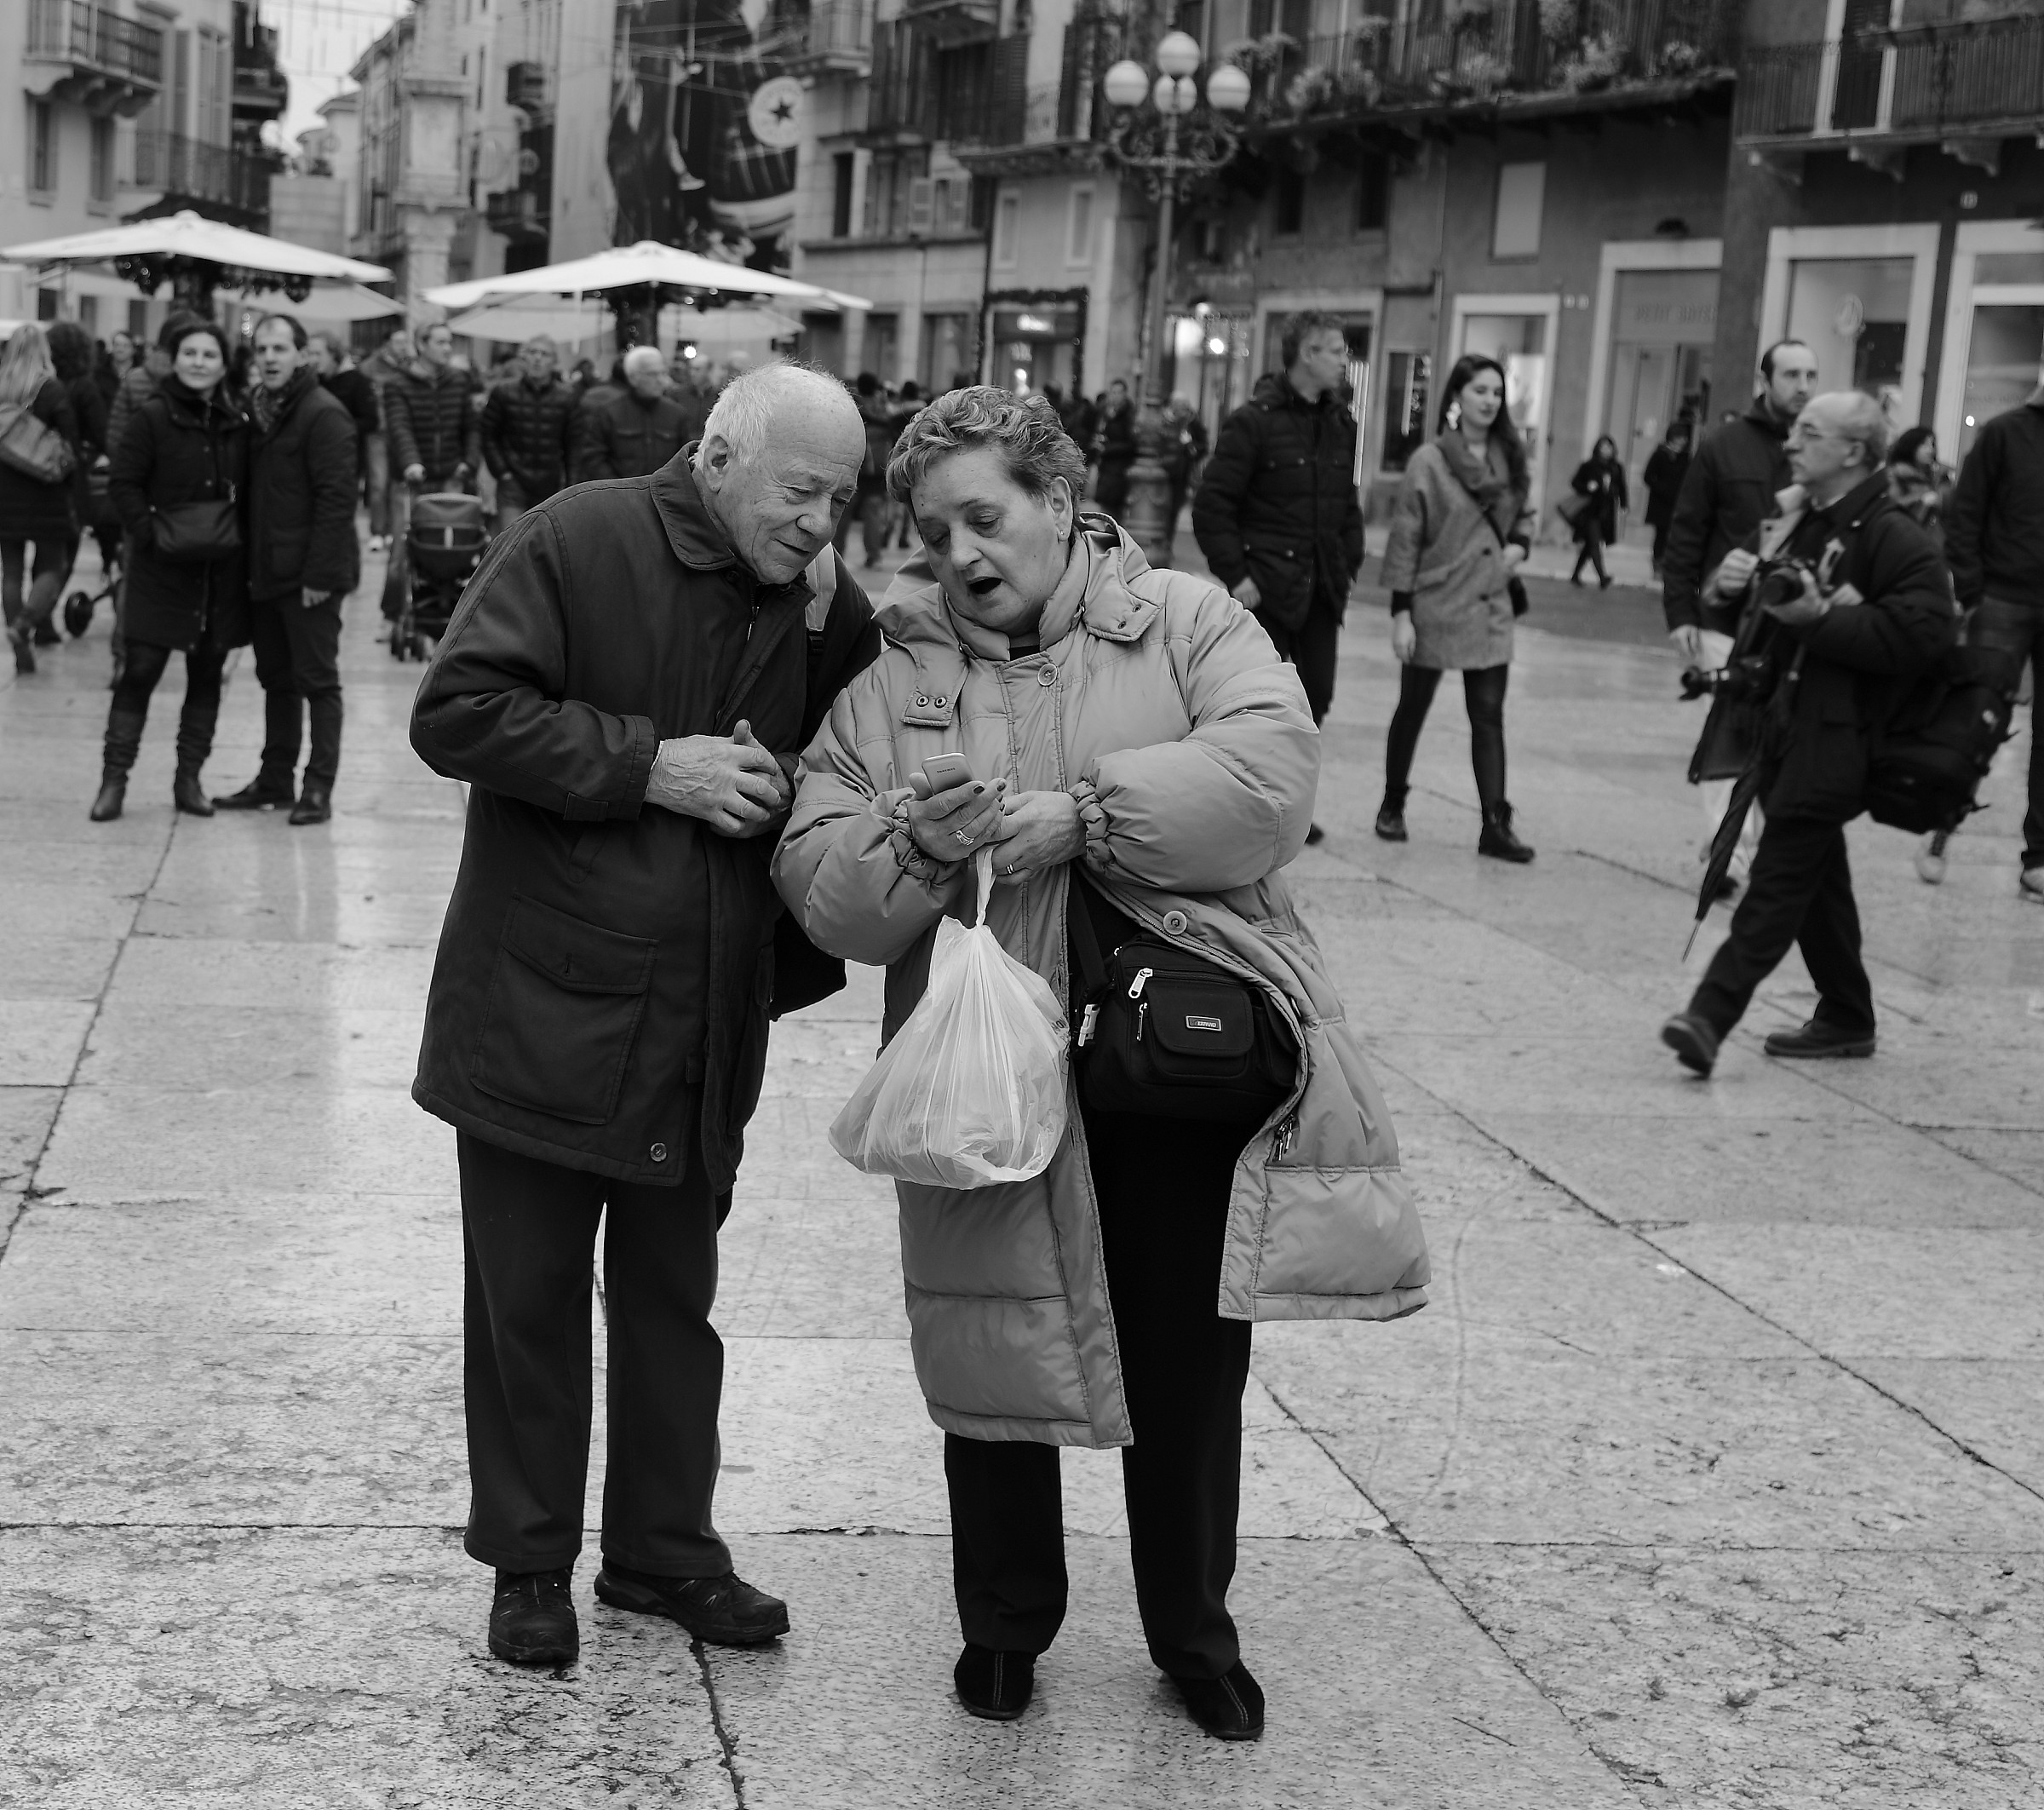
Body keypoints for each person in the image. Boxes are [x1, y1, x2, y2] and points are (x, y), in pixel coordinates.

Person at [773, 386, 1427, 1741]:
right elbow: (821, 885)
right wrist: (912, 843)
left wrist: (1088, 817)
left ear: (1060, 505)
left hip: (1167, 1059)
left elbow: (1270, 778)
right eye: (932, 527)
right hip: (982, 1066)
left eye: (986, 517)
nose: (959, 553)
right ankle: (1004, 1627)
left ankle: (1193, 1628)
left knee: (1191, 1357)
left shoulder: (1186, 621)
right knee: (994, 1322)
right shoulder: (893, 680)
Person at [408, 361, 869, 1671]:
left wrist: (838, 627)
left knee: (675, 1298)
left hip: (706, 1012)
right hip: (538, 1005)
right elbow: (457, 712)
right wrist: (645, 764)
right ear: (718, 457)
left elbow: (869, 719)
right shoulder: (577, 535)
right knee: (530, 1303)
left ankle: (665, 1552)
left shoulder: (811, 595)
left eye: (841, 498)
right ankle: (530, 1564)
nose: (821, 521)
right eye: (800, 491)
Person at [1660, 393, 1955, 1077]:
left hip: (1841, 735)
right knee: (1819, 877)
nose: (1791, 443)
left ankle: (1708, 1016)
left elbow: (1927, 634)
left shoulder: (1893, 536)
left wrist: (1819, 618)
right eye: (1793, 430)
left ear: (1853, 452)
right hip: (1788, 726)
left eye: (1809, 433)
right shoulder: (1809, 521)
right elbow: (1771, 611)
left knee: (1780, 874)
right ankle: (1848, 1012)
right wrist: (1729, 585)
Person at [1663, 341, 1820, 893]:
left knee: (1777, 740)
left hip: (1790, 626)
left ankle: (1752, 846)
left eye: (1811, 374)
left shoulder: (1822, 454)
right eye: (1792, 374)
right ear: (1765, 379)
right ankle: (1728, 853)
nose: (1803, 384)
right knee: (1729, 734)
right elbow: (1687, 532)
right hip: (1724, 621)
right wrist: (1680, 610)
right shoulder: (1724, 446)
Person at [1191, 310, 1364, 802]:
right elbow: (1213, 504)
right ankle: (1251, 799)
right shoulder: (1254, 423)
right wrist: (1238, 575)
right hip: (1266, 586)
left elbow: (1345, 500)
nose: (1343, 361)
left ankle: (1288, 800)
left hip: (1322, 585)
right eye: (1335, 351)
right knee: (1256, 705)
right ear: (1307, 354)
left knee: (1318, 697)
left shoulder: (1340, 422)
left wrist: (1349, 557)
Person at [1375, 353, 1536, 862]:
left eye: (1496, 392)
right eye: (1480, 391)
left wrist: (1521, 546)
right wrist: (1401, 612)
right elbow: (1406, 539)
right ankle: (1392, 803)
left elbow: (1525, 514)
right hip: (1435, 602)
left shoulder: (1510, 454)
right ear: (1457, 397)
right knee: (1414, 707)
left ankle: (1494, 824)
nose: (1490, 401)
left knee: (1488, 714)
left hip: (1490, 602)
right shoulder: (1430, 460)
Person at [209, 313, 359, 826]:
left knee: (318, 681)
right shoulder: (262, 413)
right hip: (267, 570)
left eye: (280, 348)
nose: (270, 357)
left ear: (302, 355)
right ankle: (275, 780)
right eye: (262, 349)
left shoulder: (324, 414)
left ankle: (318, 788)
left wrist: (319, 576)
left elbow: (338, 502)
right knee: (275, 678)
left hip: (311, 577)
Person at [96, 317, 249, 821]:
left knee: (206, 674)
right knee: (138, 671)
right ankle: (113, 781)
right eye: (190, 353)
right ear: (174, 359)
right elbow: (124, 483)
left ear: (223, 364)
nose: (199, 363)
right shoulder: (152, 417)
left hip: (216, 575)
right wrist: (150, 535)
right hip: (160, 570)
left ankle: (189, 781)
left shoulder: (235, 421)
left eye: (209, 355)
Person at [1946, 378, 2044, 905]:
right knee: (1979, 718)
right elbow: (1966, 512)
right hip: (2002, 597)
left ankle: (2039, 858)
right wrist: (1972, 588)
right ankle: (1940, 825)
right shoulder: (2003, 434)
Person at [0, 325, 83, 673]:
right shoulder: (52, 390)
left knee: (11, 572)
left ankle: (20, 650)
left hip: (5, 492)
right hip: (46, 492)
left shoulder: (2, 389)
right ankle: (24, 626)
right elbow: (71, 441)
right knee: (52, 565)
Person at [479, 336, 576, 530]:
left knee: (544, 542)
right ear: (524, 358)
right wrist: (502, 471)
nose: (537, 359)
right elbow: (488, 435)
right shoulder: (504, 392)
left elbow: (574, 444)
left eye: (544, 354)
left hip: (549, 483)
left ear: (554, 361)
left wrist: (571, 484)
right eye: (532, 352)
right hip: (513, 481)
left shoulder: (566, 398)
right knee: (511, 543)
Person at [574, 345, 706, 482]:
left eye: (663, 373)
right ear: (633, 377)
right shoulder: (609, 413)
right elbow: (594, 459)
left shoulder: (676, 414)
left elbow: (685, 458)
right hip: (620, 495)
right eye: (653, 374)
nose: (661, 380)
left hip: (663, 495)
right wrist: (619, 490)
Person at [356, 324, 416, 552]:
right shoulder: (370, 367)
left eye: (405, 342)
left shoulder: (409, 367)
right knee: (378, 483)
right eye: (399, 342)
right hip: (379, 432)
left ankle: (394, 531)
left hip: (402, 431)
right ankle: (377, 531)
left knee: (398, 483)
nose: (404, 347)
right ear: (387, 344)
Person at [836, 371, 895, 566]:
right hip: (877, 469)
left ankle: (837, 555)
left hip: (855, 467)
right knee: (873, 515)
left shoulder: (853, 405)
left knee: (842, 512)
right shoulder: (883, 406)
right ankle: (874, 554)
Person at [1567, 434, 1628, 589]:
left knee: (1590, 544)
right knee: (1594, 542)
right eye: (1603, 447)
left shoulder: (1616, 468)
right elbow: (1575, 482)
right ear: (1597, 449)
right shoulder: (1589, 465)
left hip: (1606, 512)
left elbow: (1622, 487)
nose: (1606, 450)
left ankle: (1575, 575)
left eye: (1609, 447)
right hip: (1590, 511)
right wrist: (1588, 486)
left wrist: (1624, 505)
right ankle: (1603, 577)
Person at [1643, 419, 1692, 578]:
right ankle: (1657, 566)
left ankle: (1670, 567)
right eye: (1679, 437)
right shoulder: (1660, 454)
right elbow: (1648, 476)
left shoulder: (1685, 457)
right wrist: (1662, 488)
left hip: (1678, 503)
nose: (1682, 441)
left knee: (1675, 537)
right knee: (1661, 535)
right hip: (1661, 504)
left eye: (1684, 437)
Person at [1160, 390, 1208, 540]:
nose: (1184, 411)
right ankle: (1162, 538)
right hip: (1165, 471)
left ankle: (1167, 539)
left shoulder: (1193, 423)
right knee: (1163, 507)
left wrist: (1190, 445)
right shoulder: (1165, 422)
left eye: (1185, 407)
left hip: (1182, 472)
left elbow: (1203, 446)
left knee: (1174, 508)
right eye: (1181, 407)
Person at [1092, 377, 1136, 514]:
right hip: (1106, 466)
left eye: (1119, 392)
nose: (1115, 396)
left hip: (1119, 468)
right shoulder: (1106, 413)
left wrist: (1108, 449)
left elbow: (1131, 443)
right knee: (1105, 508)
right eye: (1113, 392)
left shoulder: (1128, 416)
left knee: (1114, 510)